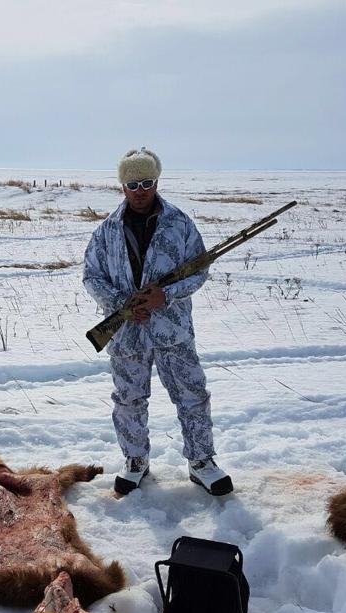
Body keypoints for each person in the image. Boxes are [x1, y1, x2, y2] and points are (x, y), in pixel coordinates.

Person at [82, 147, 232, 496]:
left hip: (173, 329)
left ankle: (201, 462)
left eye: (147, 182)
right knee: (129, 399)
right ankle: (135, 461)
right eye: (133, 183)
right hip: (126, 334)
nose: (140, 190)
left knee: (193, 395)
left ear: (157, 181)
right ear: (122, 186)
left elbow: (200, 270)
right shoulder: (107, 231)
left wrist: (167, 295)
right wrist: (123, 304)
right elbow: (91, 277)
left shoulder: (180, 224)